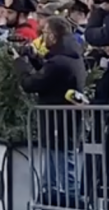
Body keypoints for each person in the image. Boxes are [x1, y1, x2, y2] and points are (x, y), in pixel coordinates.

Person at [16, 16, 86, 199]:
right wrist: (34, 59)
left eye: (45, 33)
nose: (42, 36)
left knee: (65, 173)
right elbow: (51, 76)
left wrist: (20, 64)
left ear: (54, 36)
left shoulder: (60, 61)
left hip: (59, 125)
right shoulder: (68, 56)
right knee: (55, 174)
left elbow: (33, 83)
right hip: (60, 125)